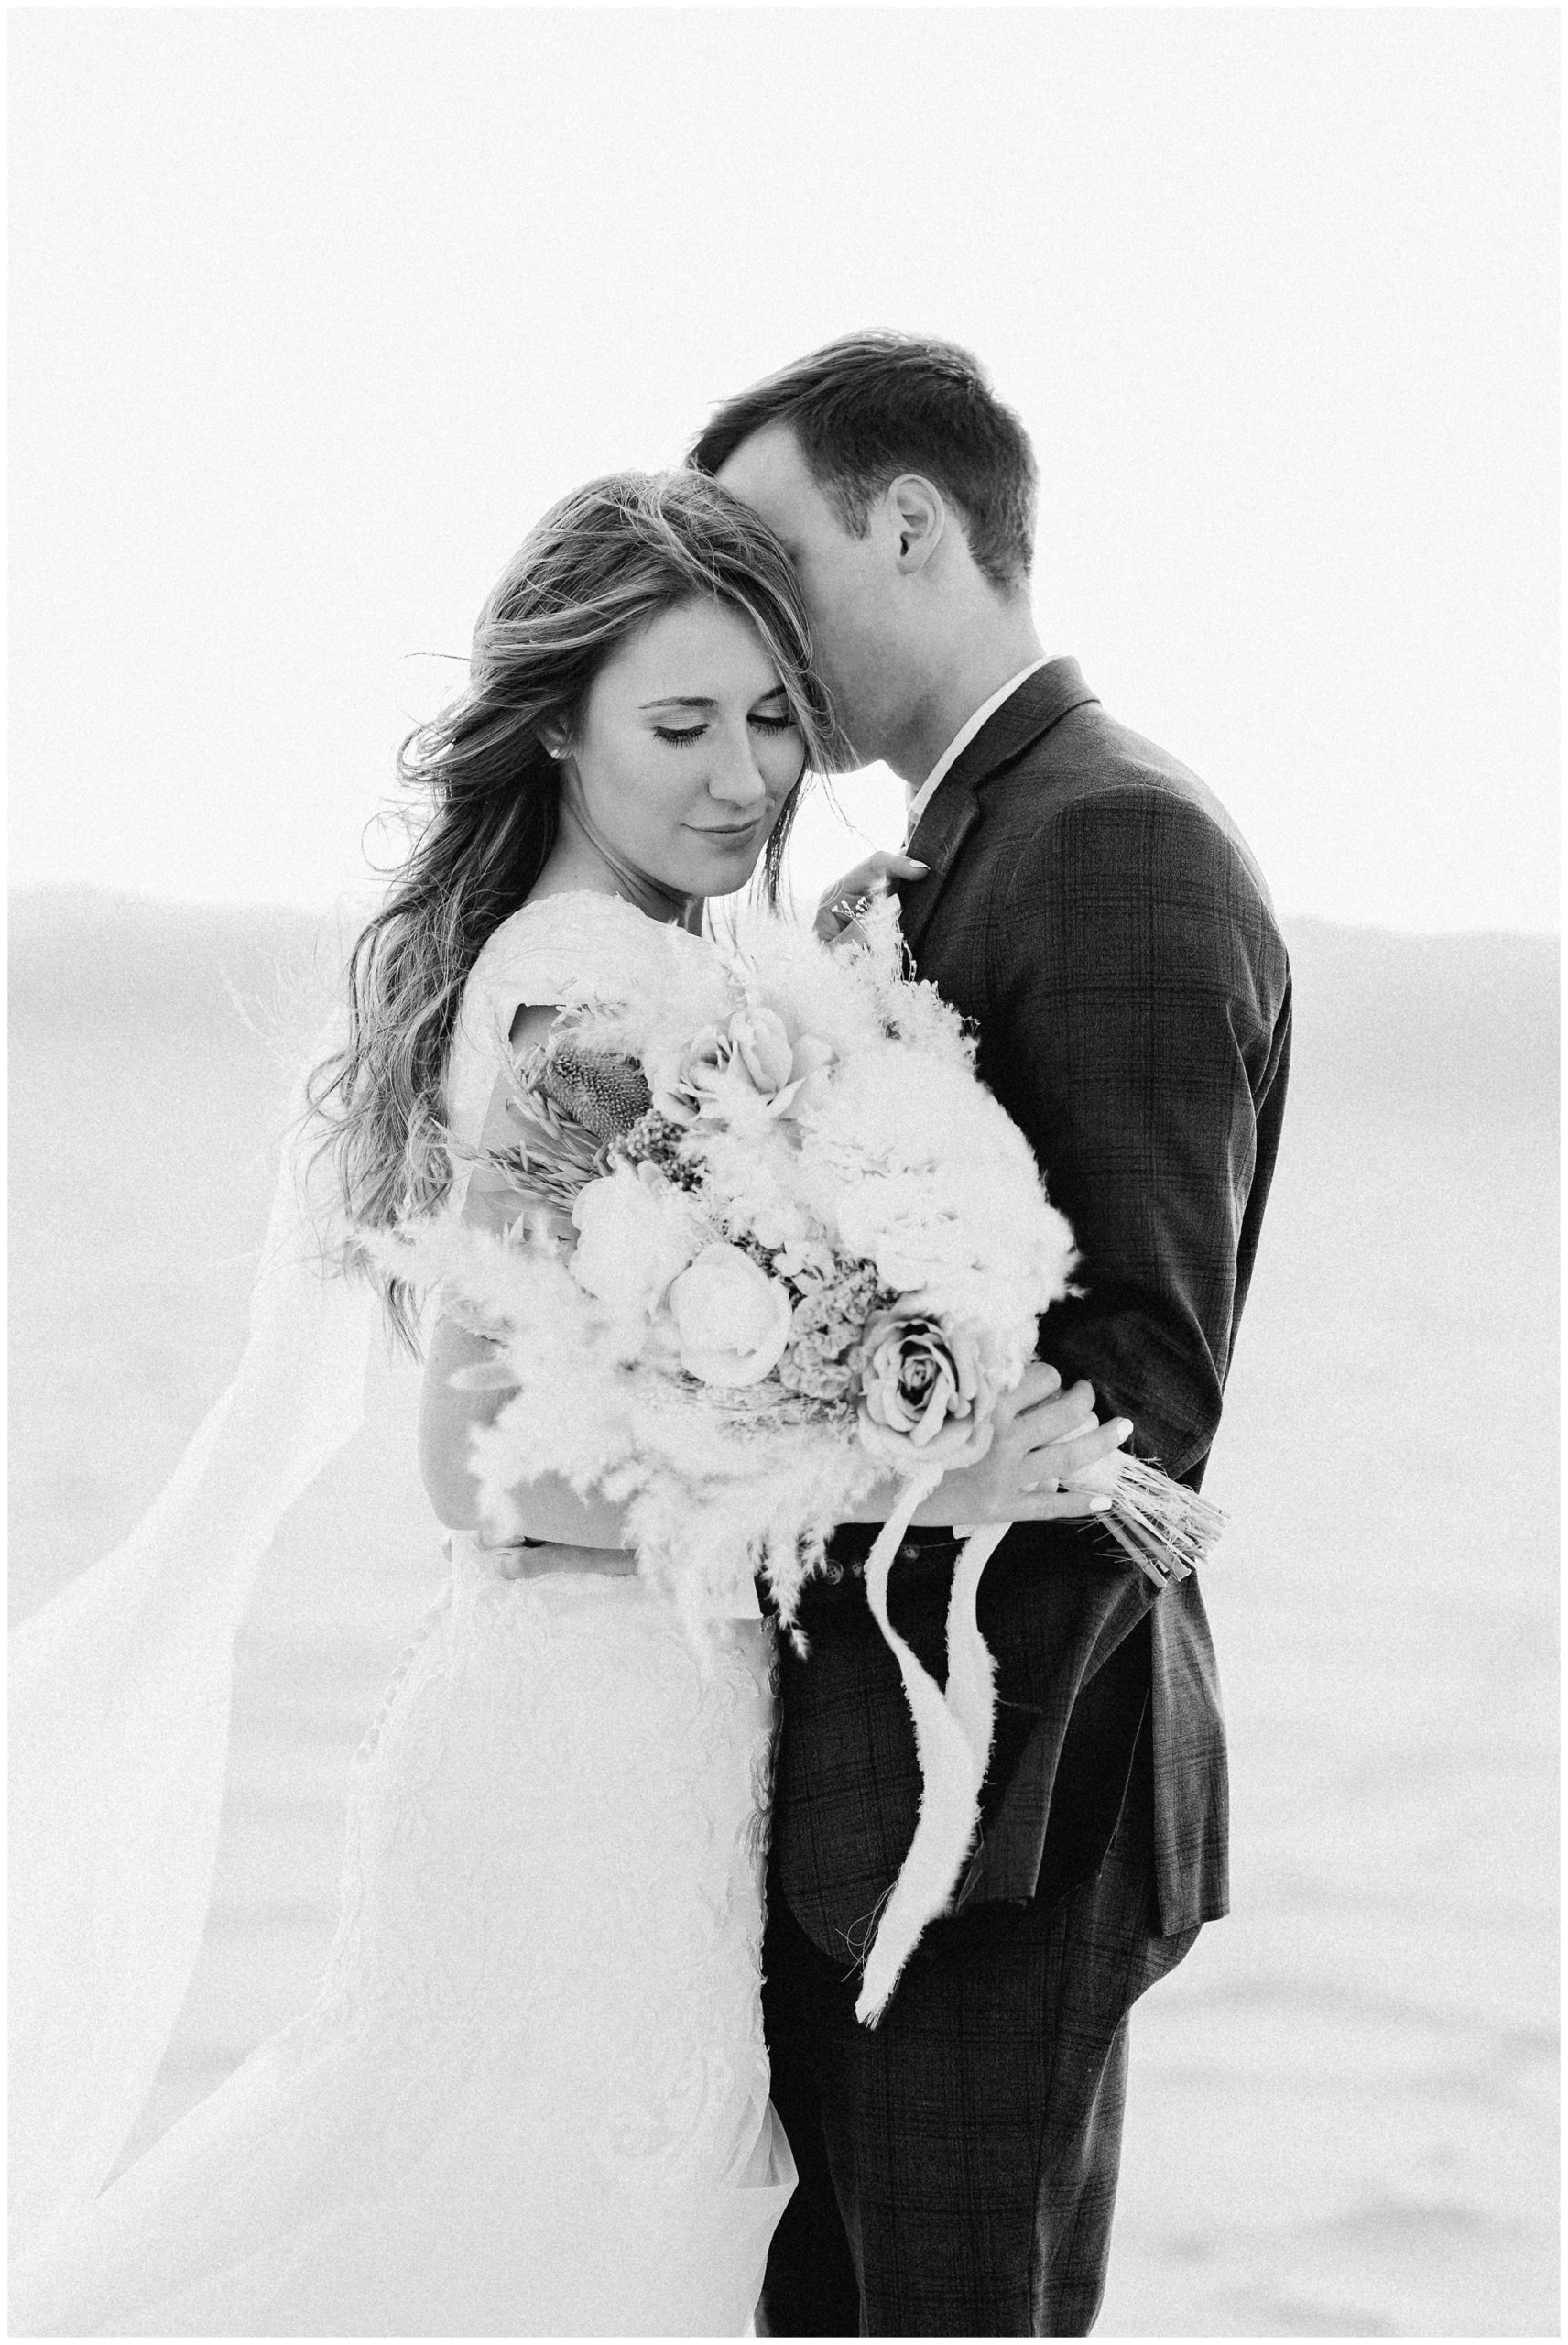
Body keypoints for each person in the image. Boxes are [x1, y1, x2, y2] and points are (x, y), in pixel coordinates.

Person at [9, 468, 1127, 2338]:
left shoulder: (636, 975)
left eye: (773, 719)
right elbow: (486, 1463)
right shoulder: (583, 1013)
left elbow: (635, 1376)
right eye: (678, 723)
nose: (739, 775)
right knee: (575, 2233)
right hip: (579, 1758)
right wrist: (914, 1483)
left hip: (620, 1732)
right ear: (555, 726)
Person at [693, 332, 1293, 2336]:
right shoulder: (918, 869)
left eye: (780, 567)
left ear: (917, 523)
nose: (759, 636)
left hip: (1001, 1803)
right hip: (866, 1808)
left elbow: (1140, 1393)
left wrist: (812, 1423)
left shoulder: (1115, 840)